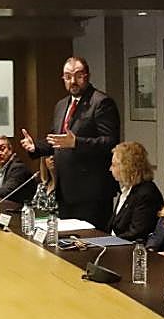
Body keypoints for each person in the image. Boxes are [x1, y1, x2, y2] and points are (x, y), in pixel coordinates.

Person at [20, 56, 119, 230]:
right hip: (65, 190)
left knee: (90, 244)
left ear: (87, 76)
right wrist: (36, 147)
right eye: (68, 76)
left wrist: (77, 143)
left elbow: (110, 142)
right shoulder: (61, 105)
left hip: (92, 193)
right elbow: (56, 140)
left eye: (78, 75)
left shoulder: (101, 102)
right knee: (67, 246)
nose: (73, 81)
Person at [106, 141, 164, 241]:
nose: (110, 169)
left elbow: (137, 232)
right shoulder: (127, 190)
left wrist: (108, 241)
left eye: (114, 165)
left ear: (128, 167)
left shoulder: (146, 193)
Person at [0, 135, 35, 203]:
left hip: (19, 209)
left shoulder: (18, 167)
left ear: (10, 150)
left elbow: (6, 191)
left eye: (2, 148)